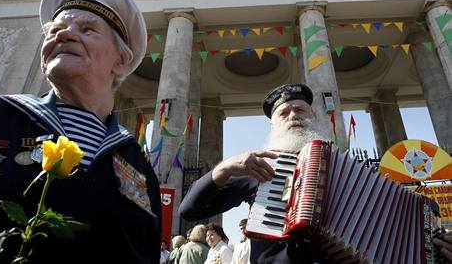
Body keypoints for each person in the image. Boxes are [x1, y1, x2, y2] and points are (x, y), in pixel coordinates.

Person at [179, 83, 452, 263]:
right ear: (274, 126)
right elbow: (190, 210)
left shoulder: (355, 171)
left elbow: (399, 231)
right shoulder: (259, 168)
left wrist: (437, 246)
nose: (293, 115)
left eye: (300, 109)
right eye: (283, 113)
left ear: (313, 116)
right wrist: (223, 169)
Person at [0, 0, 161, 263]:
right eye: (55, 30)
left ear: (120, 60)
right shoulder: (0, 115)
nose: (64, 35)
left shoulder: (137, 162)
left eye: (87, 29)